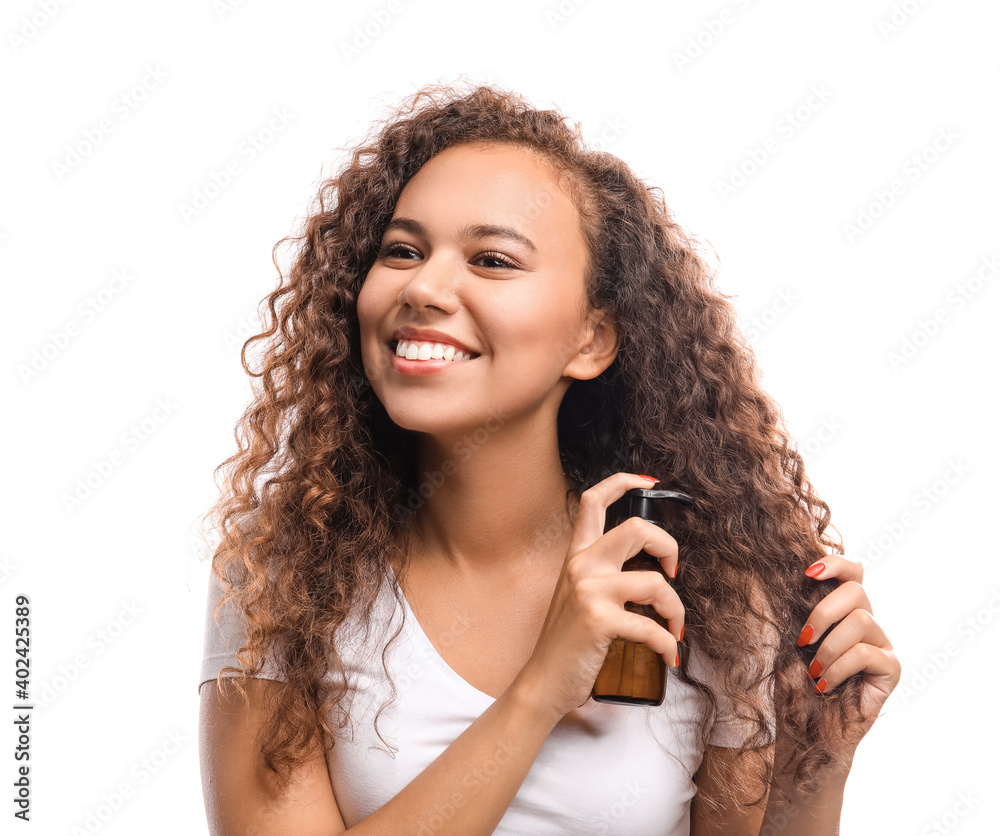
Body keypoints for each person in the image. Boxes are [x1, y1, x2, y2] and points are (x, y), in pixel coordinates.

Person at [197, 82, 900, 835]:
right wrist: (541, 689)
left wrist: (818, 763)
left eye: (493, 260)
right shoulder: (287, 576)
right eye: (402, 250)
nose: (426, 286)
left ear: (592, 340)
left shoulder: (706, 592)